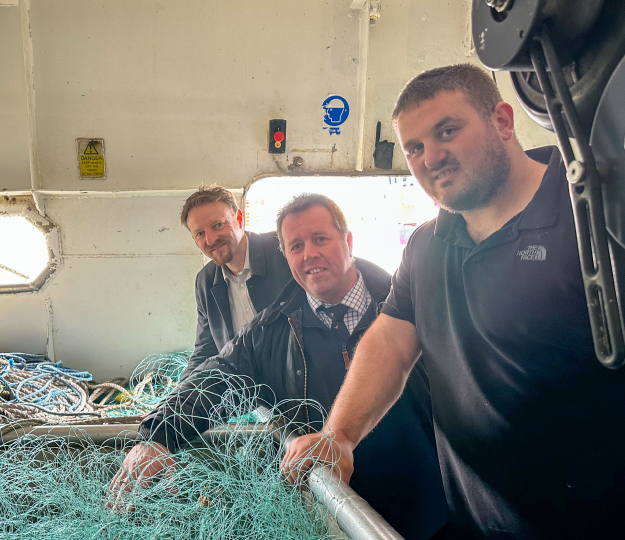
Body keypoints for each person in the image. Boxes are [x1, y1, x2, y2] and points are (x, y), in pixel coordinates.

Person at [282, 64, 625, 539]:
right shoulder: (426, 246)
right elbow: (392, 342)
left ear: (503, 121)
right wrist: (340, 436)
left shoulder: (598, 217)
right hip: (475, 525)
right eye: (414, 147)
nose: (430, 157)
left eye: (448, 131)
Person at [112, 194, 449, 540]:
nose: (309, 254)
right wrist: (157, 436)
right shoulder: (267, 332)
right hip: (329, 513)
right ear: (285, 257)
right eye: (296, 246)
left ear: (348, 241)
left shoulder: (413, 309)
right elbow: (216, 375)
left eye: (320, 239)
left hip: (429, 506)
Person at [180, 185, 293, 379]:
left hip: (301, 383)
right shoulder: (205, 282)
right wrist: (173, 404)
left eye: (218, 225)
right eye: (199, 234)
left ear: (239, 219)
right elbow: (205, 352)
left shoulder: (283, 251)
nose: (211, 239)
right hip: (250, 393)